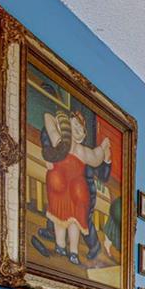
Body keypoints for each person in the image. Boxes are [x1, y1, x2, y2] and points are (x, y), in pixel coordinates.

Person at [40, 108, 112, 264]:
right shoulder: (70, 146)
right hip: (68, 185)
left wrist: (104, 147)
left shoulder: (70, 145)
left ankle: (67, 248)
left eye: (81, 129)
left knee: (67, 218)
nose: (79, 130)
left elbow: (97, 158)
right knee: (66, 218)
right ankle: (67, 249)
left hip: (68, 184)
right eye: (76, 126)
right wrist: (103, 146)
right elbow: (48, 115)